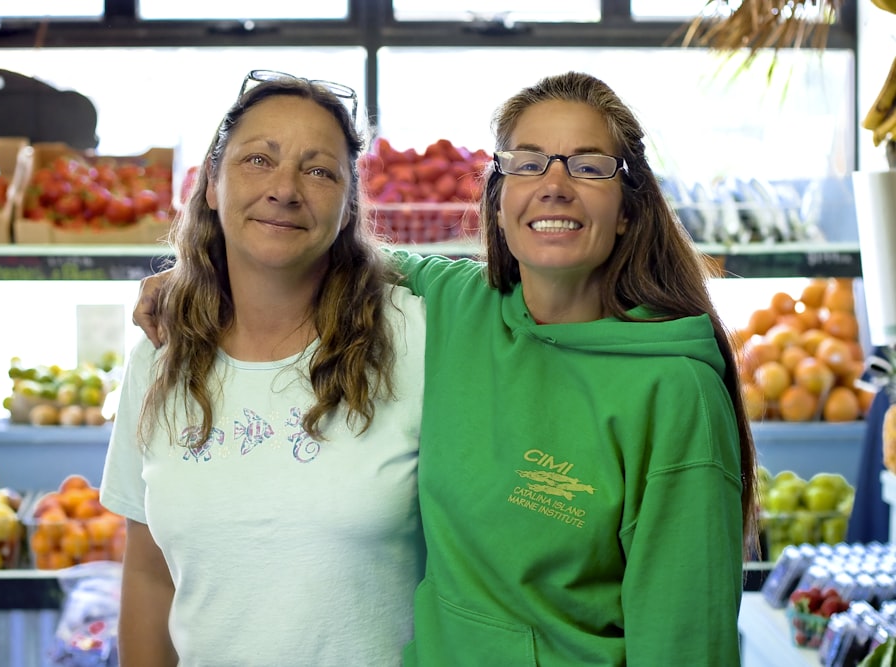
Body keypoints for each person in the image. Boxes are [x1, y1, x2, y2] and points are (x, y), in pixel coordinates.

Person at [133, 71, 759, 666]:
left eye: (590, 167)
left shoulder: (676, 389)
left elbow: (687, 644)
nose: (555, 184)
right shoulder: (458, 308)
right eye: (528, 162)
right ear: (499, 195)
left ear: (628, 209)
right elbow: (314, 245)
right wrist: (196, 277)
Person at [101, 70, 427, 667]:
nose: (285, 189)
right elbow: (150, 576)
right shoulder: (160, 348)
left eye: (320, 170)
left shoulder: (413, 338)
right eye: (258, 160)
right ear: (211, 187)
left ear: (349, 204)